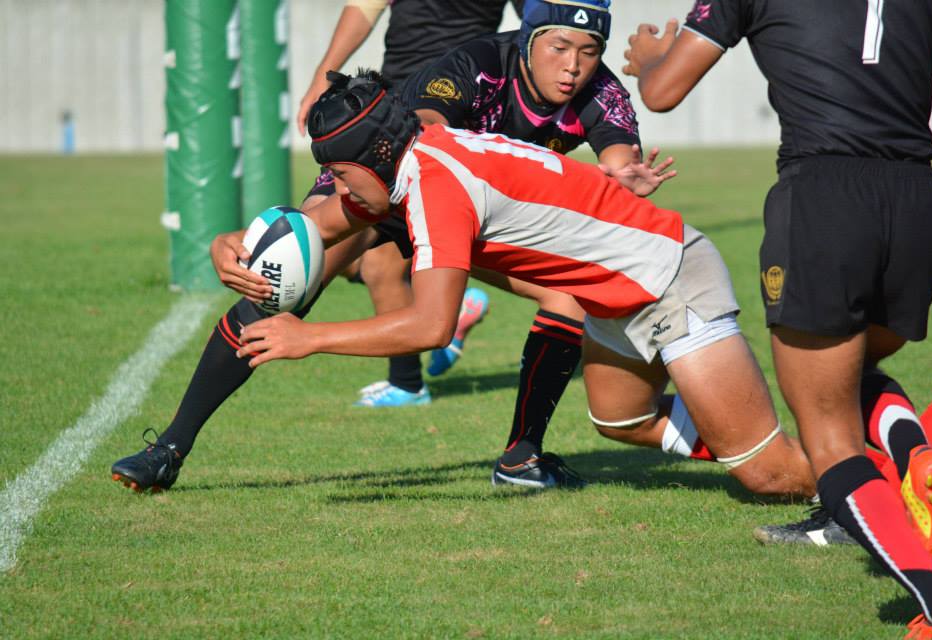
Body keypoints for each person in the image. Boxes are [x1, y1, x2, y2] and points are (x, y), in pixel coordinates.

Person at [110, 0, 681, 491]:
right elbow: (421, 133)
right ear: (530, 37)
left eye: (589, 50)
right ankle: (170, 448)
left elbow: (618, 158)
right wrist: (252, 238)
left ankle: (521, 457)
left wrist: (621, 175)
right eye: (560, 47)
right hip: (393, 185)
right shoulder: (478, 63)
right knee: (281, 277)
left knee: (569, 297)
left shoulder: (604, 92)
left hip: (476, 218)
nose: (574, 65)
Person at [622, 2, 932, 636]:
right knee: (853, 371)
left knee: (829, 439)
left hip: (825, 197)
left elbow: (664, 92)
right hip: (919, 199)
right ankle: (916, 456)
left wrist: (649, 62)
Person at [296, 0, 522, 408]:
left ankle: (408, 381)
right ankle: (449, 308)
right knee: (340, 250)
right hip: (387, 105)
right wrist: (321, 77)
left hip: (450, 115)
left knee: (380, 264)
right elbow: (364, 7)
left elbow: (541, 28)